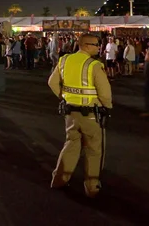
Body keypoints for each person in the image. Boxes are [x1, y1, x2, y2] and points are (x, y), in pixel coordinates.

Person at [48, 34, 112, 197]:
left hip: (70, 113)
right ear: (86, 45)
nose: (99, 47)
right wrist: (107, 107)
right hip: (91, 114)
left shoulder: (64, 60)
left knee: (71, 145)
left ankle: (59, 179)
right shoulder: (94, 65)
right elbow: (105, 93)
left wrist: (64, 96)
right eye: (97, 45)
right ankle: (92, 187)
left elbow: (52, 82)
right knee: (94, 150)